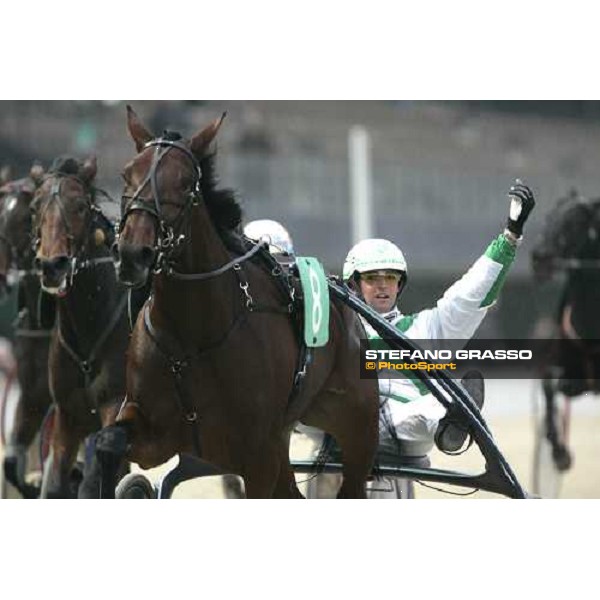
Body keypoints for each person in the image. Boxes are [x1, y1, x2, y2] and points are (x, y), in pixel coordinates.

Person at [343, 181, 536, 458]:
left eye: (391, 278)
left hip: (404, 429)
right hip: (343, 423)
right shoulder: (334, 330)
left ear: (400, 285)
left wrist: (510, 237)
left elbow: (470, 294)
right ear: (353, 284)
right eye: (373, 278)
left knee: (434, 405)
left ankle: (454, 417)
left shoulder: (426, 328)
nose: (383, 286)